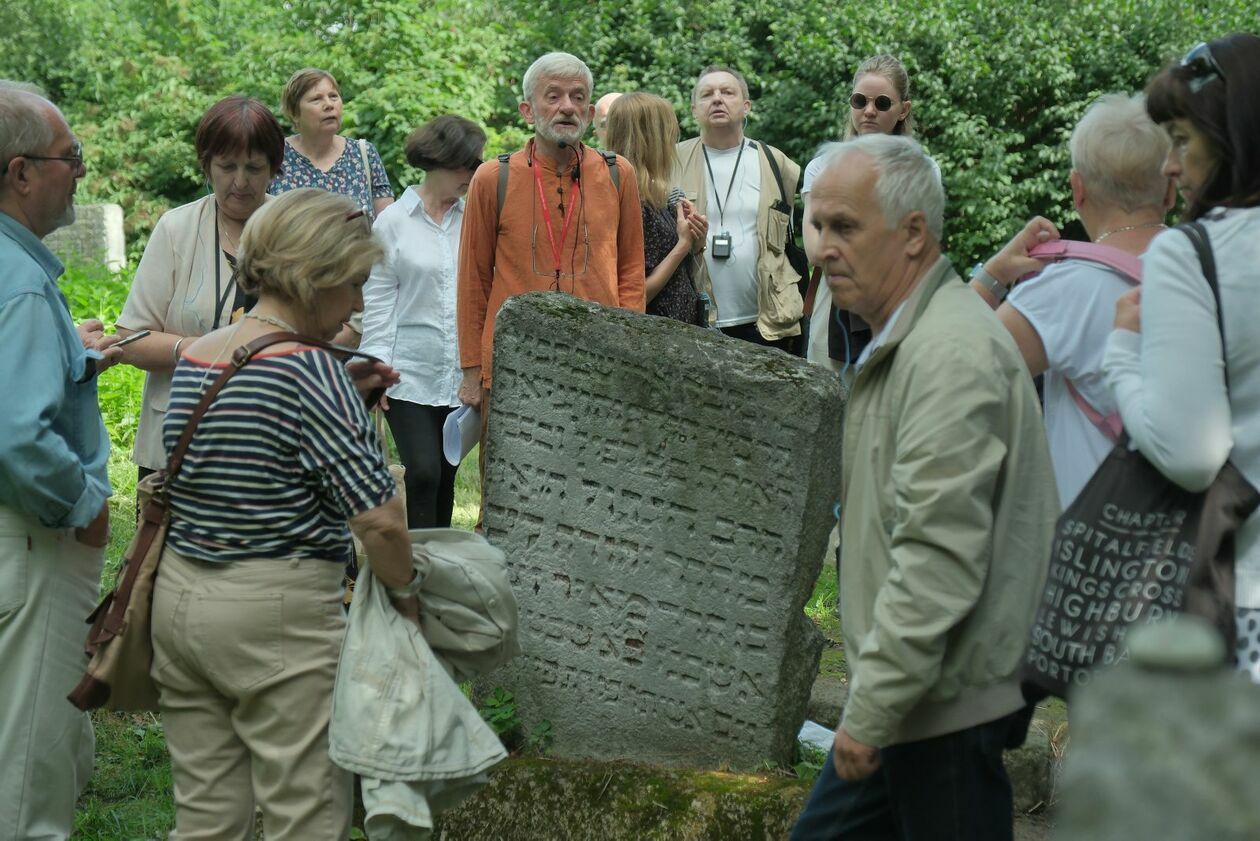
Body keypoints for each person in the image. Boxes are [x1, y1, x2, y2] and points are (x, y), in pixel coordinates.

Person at [790, 134, 1058, 841]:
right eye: (815, 226)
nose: (820, 249)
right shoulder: (916, 333)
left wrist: (871, 709)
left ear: (913, 235)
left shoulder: (948, 355)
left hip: (941, 699)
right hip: (920, 691)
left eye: (843, 227)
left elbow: (938, 555)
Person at [150, 188, 416, 839]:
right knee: (307, 812)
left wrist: (340, 397)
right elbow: (379, 521)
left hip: (181, 601)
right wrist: (407, 593)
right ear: (315, 274)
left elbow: (247, 437)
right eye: (353, 282)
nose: (356, 302)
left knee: (209, 815)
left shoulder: (202, 354)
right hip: (278, 615)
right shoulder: (312, 375)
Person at [1103, 33, 1260, 683]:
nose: (1170, 166)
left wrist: (1122, 355)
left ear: (1234, 139)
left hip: (1244, 591)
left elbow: (1192, 455)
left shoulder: (1192, 254)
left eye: (1181, 140)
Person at [0, 80, 122, 839]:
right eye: (69, 156)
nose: (79, 169)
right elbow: (15, 433)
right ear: (20, 172)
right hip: (32, 540)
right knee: (28, 776)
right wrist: (84, 502)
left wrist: (66, 353)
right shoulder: (17, 285)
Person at [970, 93, 1173, 507]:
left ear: (1077, 189)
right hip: (1199, 550)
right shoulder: (1214, 271)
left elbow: (948, 371)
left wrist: (992, 275)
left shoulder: (1062, 290)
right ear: (1170, 189)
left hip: (1092, 554)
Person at [456, 51, 645, 411]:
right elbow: (472, 281)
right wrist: (471, 371)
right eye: (553, 95)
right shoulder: (494, 178)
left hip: (599, 361)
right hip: (515, 361)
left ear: (590, 114)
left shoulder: (619, 174)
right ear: (528, 110)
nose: (567, 107)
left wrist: (629, 353)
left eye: (578, 97)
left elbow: (631, 273)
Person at [116, 96, 285, 480]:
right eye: (226, 167)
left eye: (254, 168)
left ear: (273, 169)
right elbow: (128, 339)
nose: (240, 182)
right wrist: (191, 350)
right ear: (206, 165)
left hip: (269, 444)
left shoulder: (295, 230)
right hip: (177, 443)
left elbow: (342, 326)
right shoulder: (176, 230)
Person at [360, 115, 486, 528]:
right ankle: (412, 568)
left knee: (446, 475)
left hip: (459, 373)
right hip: (407, 372)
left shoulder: (474, 220)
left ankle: (437, 569)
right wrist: (374, 369)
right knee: (425, 470)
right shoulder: (393, 222)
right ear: (437, 161)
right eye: (465, 165)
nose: (473, 174)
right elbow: (378, 301)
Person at [674, 65, 802, 352]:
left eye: (727, 92)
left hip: (767, 325)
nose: (717, 99)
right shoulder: (672, 161)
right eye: (707, 94)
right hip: (693, 322)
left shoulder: (777, 163)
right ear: (694, 109)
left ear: (746, 106)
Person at [802, 55, 917, 373]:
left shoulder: (920, 171)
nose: (869, 111)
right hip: (835, 314)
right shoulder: (821, 167)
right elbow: (814, 251)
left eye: (882, 103)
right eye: (859, 100)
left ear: (902, 110)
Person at [604, 92, 709, 323]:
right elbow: (638, 295)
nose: (672, 143)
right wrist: (683, 244)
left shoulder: (656, 195)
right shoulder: (632, 201)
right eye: (668, 134)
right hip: (655, 338)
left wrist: (696, 241)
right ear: (651, 139)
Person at [268, 67, 395, 218]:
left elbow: (387, 229)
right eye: (316, 99)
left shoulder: (364, 153)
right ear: (294, 113)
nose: (329, 104)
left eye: (333, 96)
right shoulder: (274, 155)